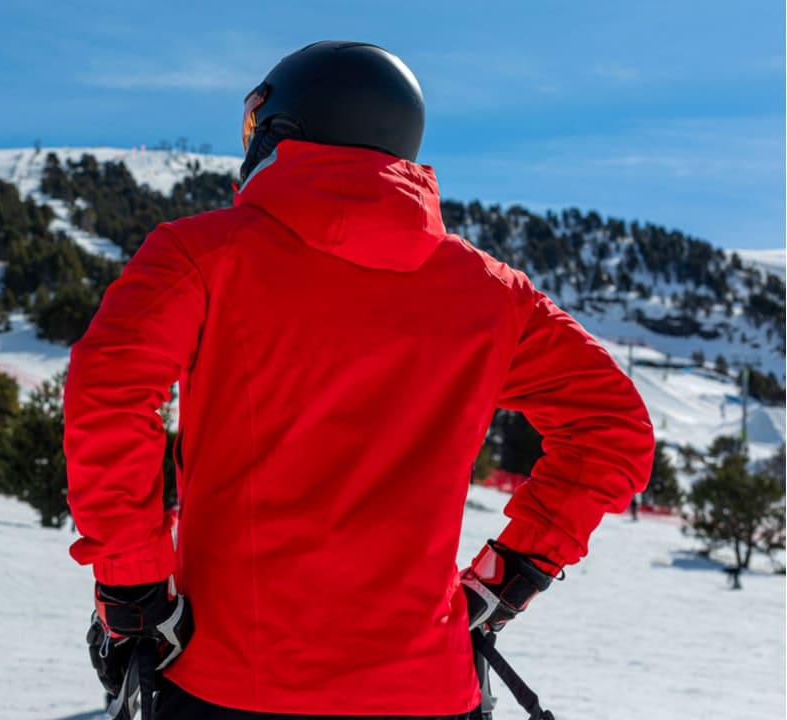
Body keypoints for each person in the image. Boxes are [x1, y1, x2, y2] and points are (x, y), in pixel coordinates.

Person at [64, 41, 655, 720]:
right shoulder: (493, 294)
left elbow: (108, 391)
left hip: (233, 679)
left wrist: (135, 591)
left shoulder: (204, 252)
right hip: (427, 688)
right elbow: (615, 433)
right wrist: (509, 576)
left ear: (282, 128)